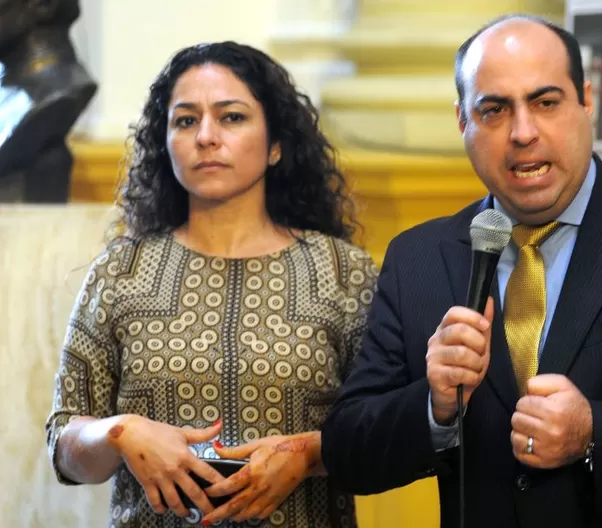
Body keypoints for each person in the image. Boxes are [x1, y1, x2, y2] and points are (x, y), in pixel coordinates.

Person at [321, 14, 602, 528]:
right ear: (462, 122)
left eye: (546, 103)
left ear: (587, 101)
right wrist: (434, 404)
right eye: (494, 110)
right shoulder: (418, 259)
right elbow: (348, 452)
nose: (523, 133)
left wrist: (597, 432)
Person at [44, 41, 377, 528]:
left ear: (276, 144)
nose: (205, 136)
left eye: (231, 117)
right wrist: (121, 432)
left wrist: (306, 452)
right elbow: (64, 445)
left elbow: (387, 431)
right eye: (185, 120)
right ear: (166, 143)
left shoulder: (344, 273)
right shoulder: (121, 274)